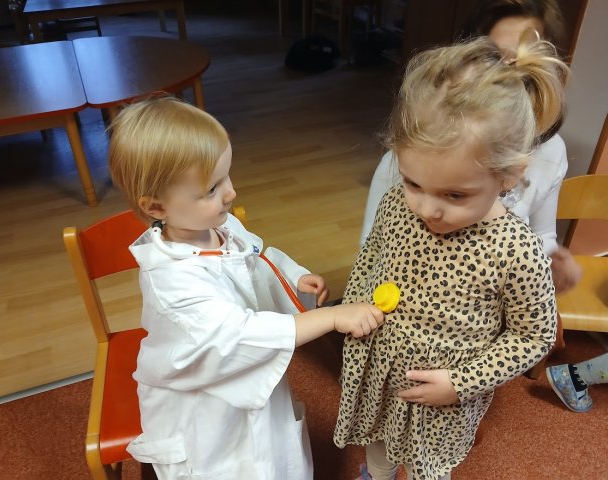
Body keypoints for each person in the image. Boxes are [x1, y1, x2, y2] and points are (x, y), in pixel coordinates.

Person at [107, 96, 385, 480]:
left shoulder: (219, 226)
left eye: (226, 176)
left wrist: (292, 278)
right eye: (211, 189)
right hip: (207, 402)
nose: (231, 193)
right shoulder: (172, 282)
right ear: (157, 208)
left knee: (269, 454)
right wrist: (331, 317)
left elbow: (256, 259)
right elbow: (238, 336)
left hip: (245, 378)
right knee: (232, 465)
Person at [334, 37, 569, 480]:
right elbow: (372, 256)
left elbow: (533, 337)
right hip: (381, 371)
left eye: (455, 195)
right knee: (379, 449)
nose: (427, 208)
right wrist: (352, 304)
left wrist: (460, 384)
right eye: (413, 182)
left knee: (430, 468)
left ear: (509, 175)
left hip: (445, 398)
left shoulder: (516, 251)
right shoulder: (396, 204)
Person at [360, 0, 581, 294]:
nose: (510, 78)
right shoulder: (408, 165)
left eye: (455, 194)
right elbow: (371, 249)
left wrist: (551, 264)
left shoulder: (552, 154)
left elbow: (542, 235)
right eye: (495, 60)